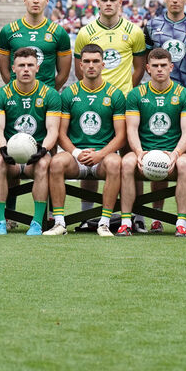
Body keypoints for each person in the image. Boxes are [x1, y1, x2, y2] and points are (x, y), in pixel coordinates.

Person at [44, 44, 126, 237]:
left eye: (96, 61)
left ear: (103, 64)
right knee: (56, 162)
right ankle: (59, 223)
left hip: (103, 157)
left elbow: (121, 135)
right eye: (87, 61)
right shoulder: (69, 93)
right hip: (75, 156)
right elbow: (61, 134)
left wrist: (100, 154)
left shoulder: (114, 94)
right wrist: (76, 153)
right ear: (80, 65)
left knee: (116, 162)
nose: (91, 65)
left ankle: (104, 223)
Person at [119, 49, 186, 236]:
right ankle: (126, 221)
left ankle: (181, 222)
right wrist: (138, 152)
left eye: (163, 66)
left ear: (171, 67)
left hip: (172, 151)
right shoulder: (136, 95)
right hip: (144, 150)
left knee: (185, 164)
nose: (159, 69)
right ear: (147, 69)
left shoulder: (184, 95)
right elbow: (132, 129)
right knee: (127, 162)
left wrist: (176, 154)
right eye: (155, 66)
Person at [0, 48, 59, 235]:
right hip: (10, 153)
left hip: (36, 155)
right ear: (13, 68)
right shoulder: (1, 94)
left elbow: (53, 130)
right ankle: (0, 221)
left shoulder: (50, 94)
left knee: (45, 164)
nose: (26, 69)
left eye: (30, 65)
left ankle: (36, 222)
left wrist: (43, 150)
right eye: (21, 65)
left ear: (37, 68)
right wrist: (3, 149)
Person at [0, 0, 72, 90]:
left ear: (47, 1)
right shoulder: (8, 31)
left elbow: (63, 74)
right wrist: (18, 89)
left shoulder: (59, 32)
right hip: (16, 96)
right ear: (25, 0)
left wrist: (49, 92)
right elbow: (4, 72)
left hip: (46, 97)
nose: (35, 1)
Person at [73, 0, 146, 94]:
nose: (108, 4)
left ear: (120, 2)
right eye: (104, 0)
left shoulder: (134, 31)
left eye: (112, 0)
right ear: (97, 3)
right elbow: (79, 70)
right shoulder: (85, 33)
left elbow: (139, 69)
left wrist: (124, 92)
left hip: (124, 98)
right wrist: (94, 91)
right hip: (96, 97)